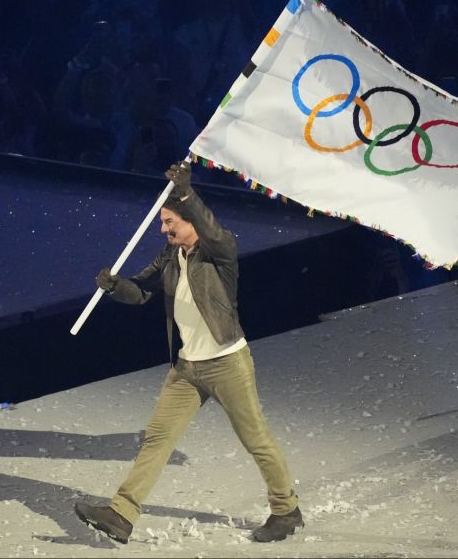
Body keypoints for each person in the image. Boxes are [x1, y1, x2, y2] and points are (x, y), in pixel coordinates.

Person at [73, 160, 302, 544]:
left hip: (227, 363)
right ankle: (121, 514)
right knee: (157, 438)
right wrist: (114, 286)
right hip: (187, 369)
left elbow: (212, 229)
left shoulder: (219, 251)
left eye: (170, 222)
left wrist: (186, 192)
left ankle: (286, 510)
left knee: (255, 439)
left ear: (191, 220)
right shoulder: (170, 257)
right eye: (162, 223)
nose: (163, 230)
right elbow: (140, 292)